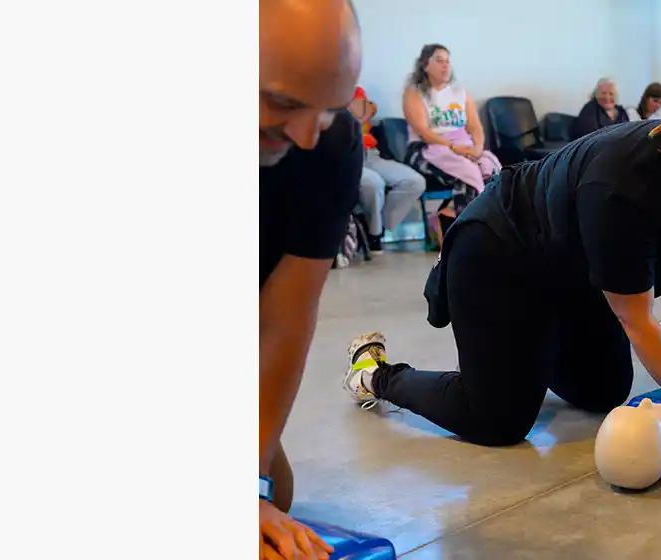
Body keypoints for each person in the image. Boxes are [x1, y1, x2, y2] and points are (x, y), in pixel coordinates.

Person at [341, 94, 661, 447]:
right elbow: (637, 319)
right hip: (501, 253)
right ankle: (376, 374)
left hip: (570, 274)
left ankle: (525, 353)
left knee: (604, 390)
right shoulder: (624, 188)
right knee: (498, 421)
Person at [259, 0, 360, 558]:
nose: (304, 136)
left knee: (278, 492)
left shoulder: (329, 145)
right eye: (280, 102)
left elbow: (285, 322)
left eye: (328, 108)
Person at [403, 43, 499, 227]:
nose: (445, 65)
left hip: (462, 146)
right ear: (424, 65)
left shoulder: (459, 93)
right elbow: (423, 131)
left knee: (489, 167)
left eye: (447, 61)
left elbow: (475, 126)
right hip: (426, 149)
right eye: (439, 61)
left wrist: (477, 148)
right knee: (468, 174)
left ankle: (458, 221)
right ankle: (470, 232)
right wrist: (454, 148)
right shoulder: (414, 93)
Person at [349, 86, 425, 253]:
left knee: (414, 182)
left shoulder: (355, 90)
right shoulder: (317, 95)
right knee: (373, 183)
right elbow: (353, 118)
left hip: (370, 154)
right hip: (344, 156)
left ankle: (378, 227)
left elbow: (358, 116)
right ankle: (374, 234)